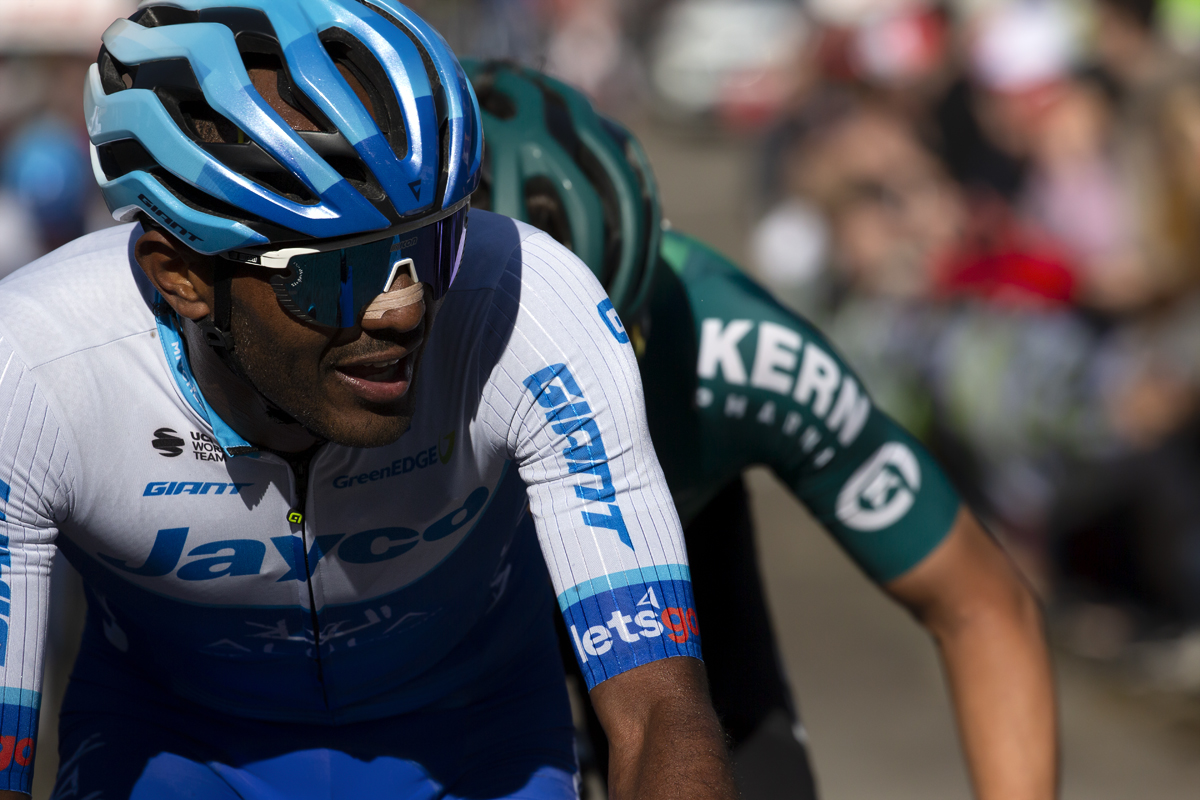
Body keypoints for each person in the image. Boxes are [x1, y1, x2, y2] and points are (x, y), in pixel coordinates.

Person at [0, 2, 739, 797]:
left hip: (476, 735)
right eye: (336, 274)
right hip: (173, 745)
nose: (405, 309)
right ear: (180, 275)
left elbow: (660, 710)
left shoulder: (532, 304)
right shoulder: (36, 370)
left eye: (430, 244)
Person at [464, 60, 1059, 800]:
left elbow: (982, 605)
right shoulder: (365, 361)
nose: (584, 412)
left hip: (670, 543)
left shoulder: (738, 347)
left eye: (615, 370)